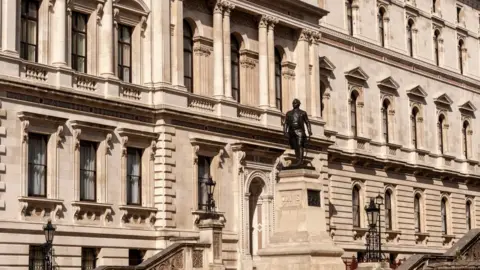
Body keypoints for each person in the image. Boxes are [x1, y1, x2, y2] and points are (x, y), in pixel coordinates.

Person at [283, 98, 312, 167]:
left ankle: (300, 161)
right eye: (293, 103)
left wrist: (309, 131)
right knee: (295, 146)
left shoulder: (303, 113)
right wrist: (285, 131)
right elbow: (286, 123)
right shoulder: (289, 113)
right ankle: (298, 159)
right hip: (291, 131)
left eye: (295, 103)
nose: (294, 104)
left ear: (299, 104)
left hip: (300, 131)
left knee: (300, 145)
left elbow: (307, 122)